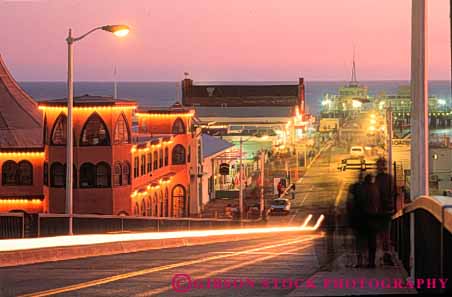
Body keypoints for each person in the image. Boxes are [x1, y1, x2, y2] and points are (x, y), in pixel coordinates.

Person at [374, 157, 395, 266]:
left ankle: (384, 253)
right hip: (387, 209)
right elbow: (393, 192)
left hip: (380, 210)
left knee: (382, 233)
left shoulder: (377, 179)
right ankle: (386, 253)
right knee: (386, 232)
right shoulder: (389, 178)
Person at [347, 170, 367, 267]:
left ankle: (359, 261)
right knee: (365, 239)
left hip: (357, 217)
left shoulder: (353, 187)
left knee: (358, 240)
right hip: (366, 216)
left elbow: (349, 202)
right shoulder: (368, 187)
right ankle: (366, 259)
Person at [363, 173, 381, 268]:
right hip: (375, 217)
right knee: (372, 241)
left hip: (368, 217)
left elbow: (364, 203)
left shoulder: (367, 190)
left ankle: (369, 261)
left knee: (368, 241)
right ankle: (371, 261)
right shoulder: (375, 189)